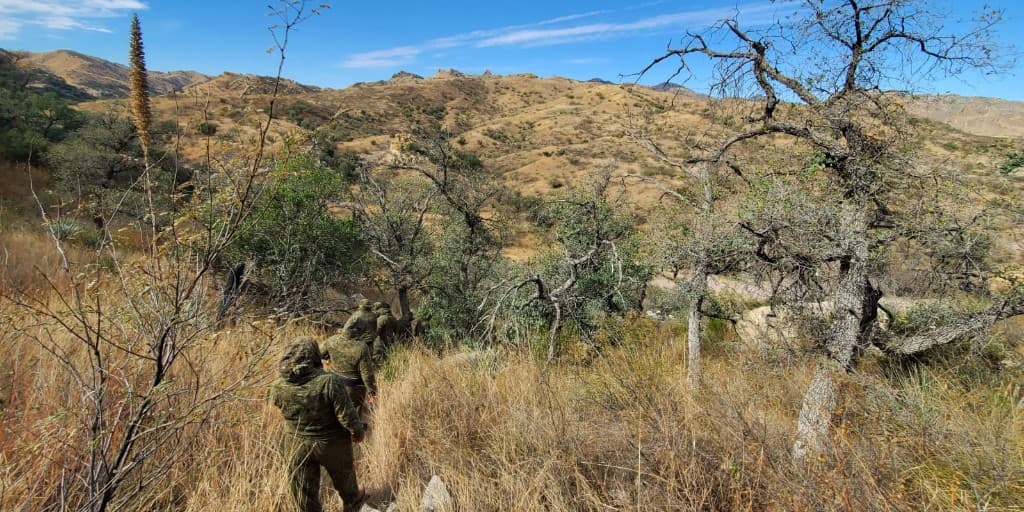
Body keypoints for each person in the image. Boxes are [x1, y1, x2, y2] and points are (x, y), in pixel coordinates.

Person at [270, 337, 367, 512]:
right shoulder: (329, 382)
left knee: (304, 495)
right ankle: (352, 503)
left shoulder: (277, 386)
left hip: (295, 443)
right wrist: (357, 431)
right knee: (346, 482)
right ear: (314, 356)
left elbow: (280, 407)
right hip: (331, 442)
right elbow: (347, 416)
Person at [321, 300, 378, 414]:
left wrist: (328, 359)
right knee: (353, 414)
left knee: (334, 410)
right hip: (353, 387)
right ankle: (354, 430)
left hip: (333, 381)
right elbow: (366, 374)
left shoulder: (331, 340)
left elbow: (319, 353)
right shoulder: (361, 348)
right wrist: (372, 391)